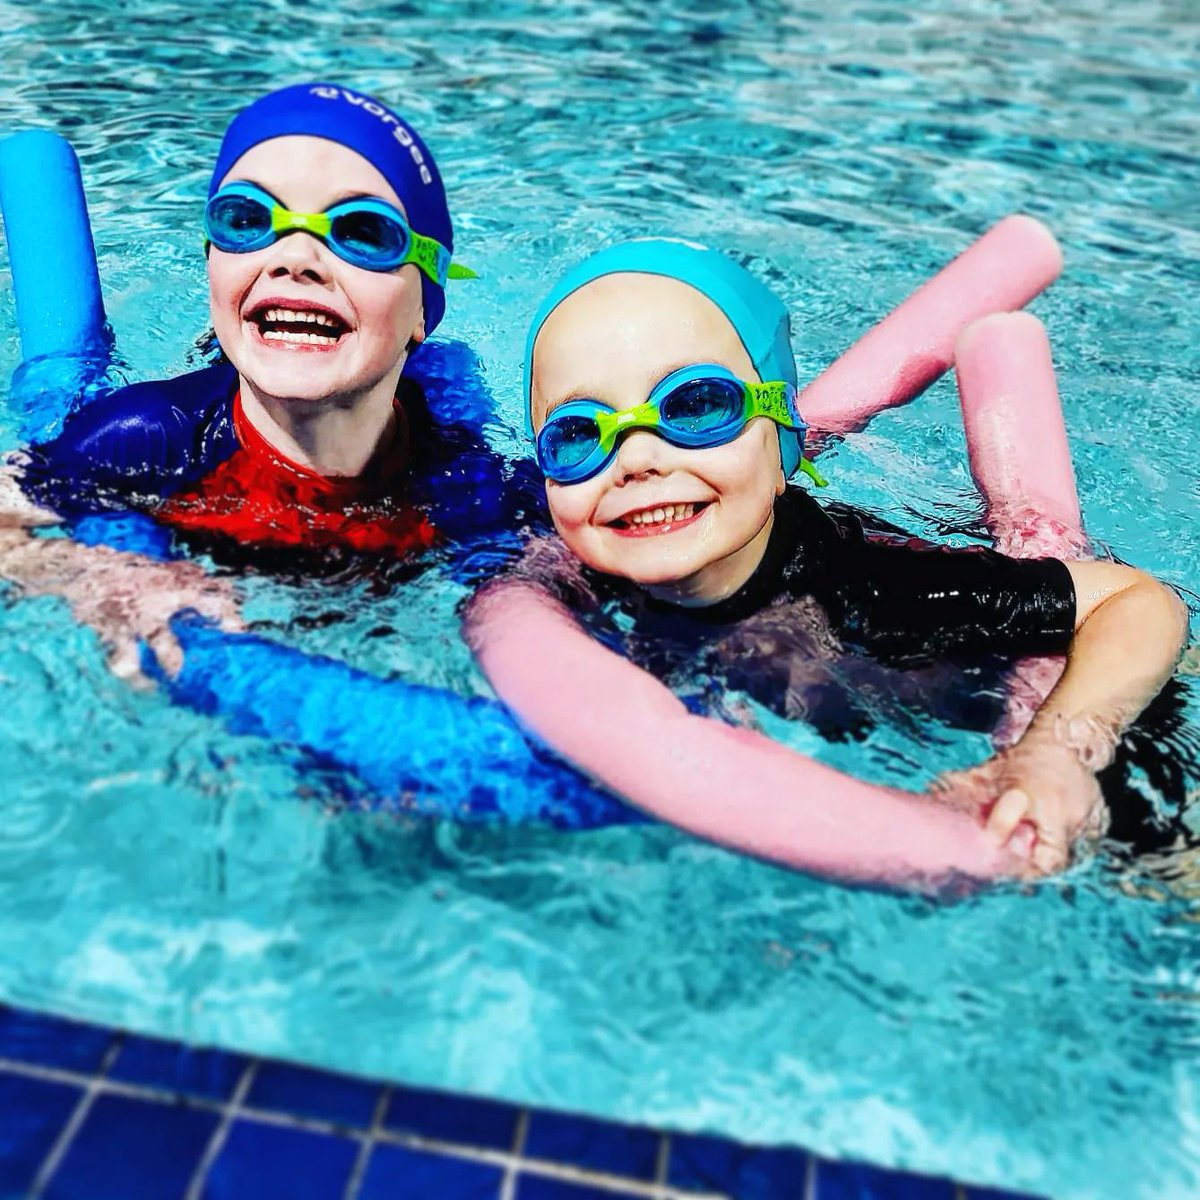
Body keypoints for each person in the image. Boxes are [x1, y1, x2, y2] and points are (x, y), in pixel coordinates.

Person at [464, 239, 1190, 882]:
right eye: (577, 434)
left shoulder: (876, 592)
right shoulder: (577, 574)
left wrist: (1059, 749)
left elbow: (1137, 601)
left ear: (783, 443)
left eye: (695, 406)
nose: (637, 460)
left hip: (1033, 709)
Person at [0, 82, 534, 675]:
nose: (294, 257)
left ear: (422, 312)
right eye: (247, 218)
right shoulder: (147, 436)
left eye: (364, 231)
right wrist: (100, 573)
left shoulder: (464, 480)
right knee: (66, 394)